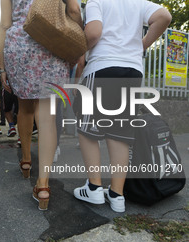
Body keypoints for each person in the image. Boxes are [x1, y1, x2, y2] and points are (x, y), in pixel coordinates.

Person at [73, 0, 171, 212]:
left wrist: (77, 49)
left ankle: (94, 188)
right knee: (120, 132)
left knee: (87, 127)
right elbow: (164, 16)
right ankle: (117, 195)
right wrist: (142, 44)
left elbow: (93, 33)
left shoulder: (96, 1)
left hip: (103, 66)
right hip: (132, 71)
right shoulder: (138, 2)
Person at [0, 0, 82, 210]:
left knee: (24, 107)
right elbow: (73, 9)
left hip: (19, 44)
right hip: (52, 42)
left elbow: (5, 24)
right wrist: (77, 40)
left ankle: (26, 161)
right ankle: (43, 184)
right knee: (48, 117)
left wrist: (2, 66)